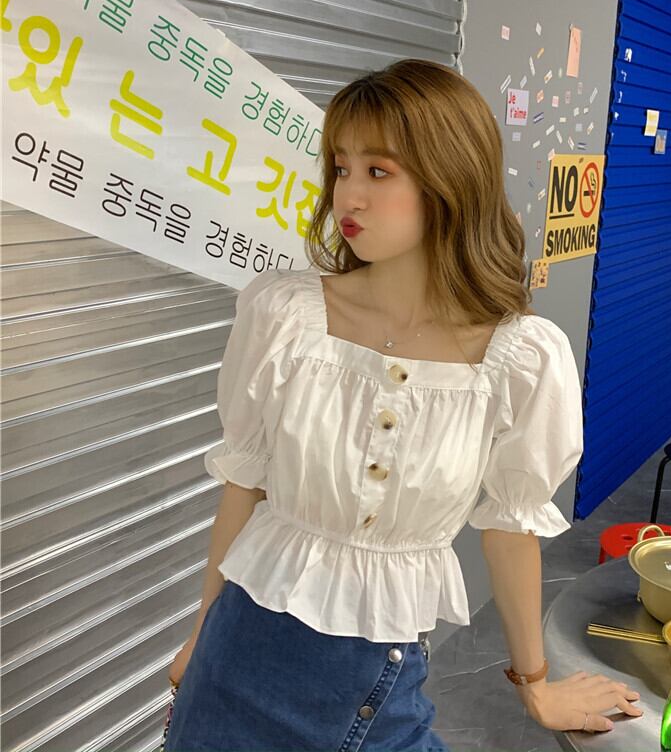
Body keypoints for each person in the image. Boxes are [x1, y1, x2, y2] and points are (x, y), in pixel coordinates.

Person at [163, 58, 644, 751]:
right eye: (340, 167)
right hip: (235, 667)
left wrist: (535, 683)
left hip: (377, 693)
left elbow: (510, 526)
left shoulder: (519, 358)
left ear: (450, 181)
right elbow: (245, 486)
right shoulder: (285, 317)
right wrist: (198, 637)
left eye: (378, 171)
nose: (348, 196)